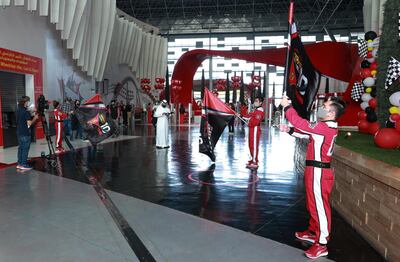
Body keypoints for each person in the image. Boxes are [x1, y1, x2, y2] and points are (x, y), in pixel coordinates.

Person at [279, 95, 346, 259]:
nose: (320, 109)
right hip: (315, 170)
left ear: (330, 113)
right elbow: (307, 135)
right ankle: (312, 232)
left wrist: (287, 106)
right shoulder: (324, 127)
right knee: (312, 204)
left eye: (324, 106)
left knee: (320, 207)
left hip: (319, 172)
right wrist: (290, 130)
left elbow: (300, 122)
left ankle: (322, 244)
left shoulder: (325, 127)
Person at [240, 97, 264, 169]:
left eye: (257, 101)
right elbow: (248, 116)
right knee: (251, 144)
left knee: (254, 145)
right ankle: (253, 158)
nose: (255, 102)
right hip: (252, 128)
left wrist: (249, 124)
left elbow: (255, 121)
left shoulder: (260, 111)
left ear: (260, 103)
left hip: (255, 128)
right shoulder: (256, 110)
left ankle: (255, 161)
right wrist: (242, 115)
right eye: (255, 101)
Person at [16, 96, 38, 170]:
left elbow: (21, 118)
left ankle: (19, 164)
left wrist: (31, 112)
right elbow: (29, 123)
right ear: (25, 102)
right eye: (28, 101)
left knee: (20, 148)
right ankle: (24, 164)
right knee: (25, 149)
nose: (28, 103)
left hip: (19, 132)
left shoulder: (18, 110)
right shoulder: (26, 112)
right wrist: (35, 118)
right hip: (25, 133)